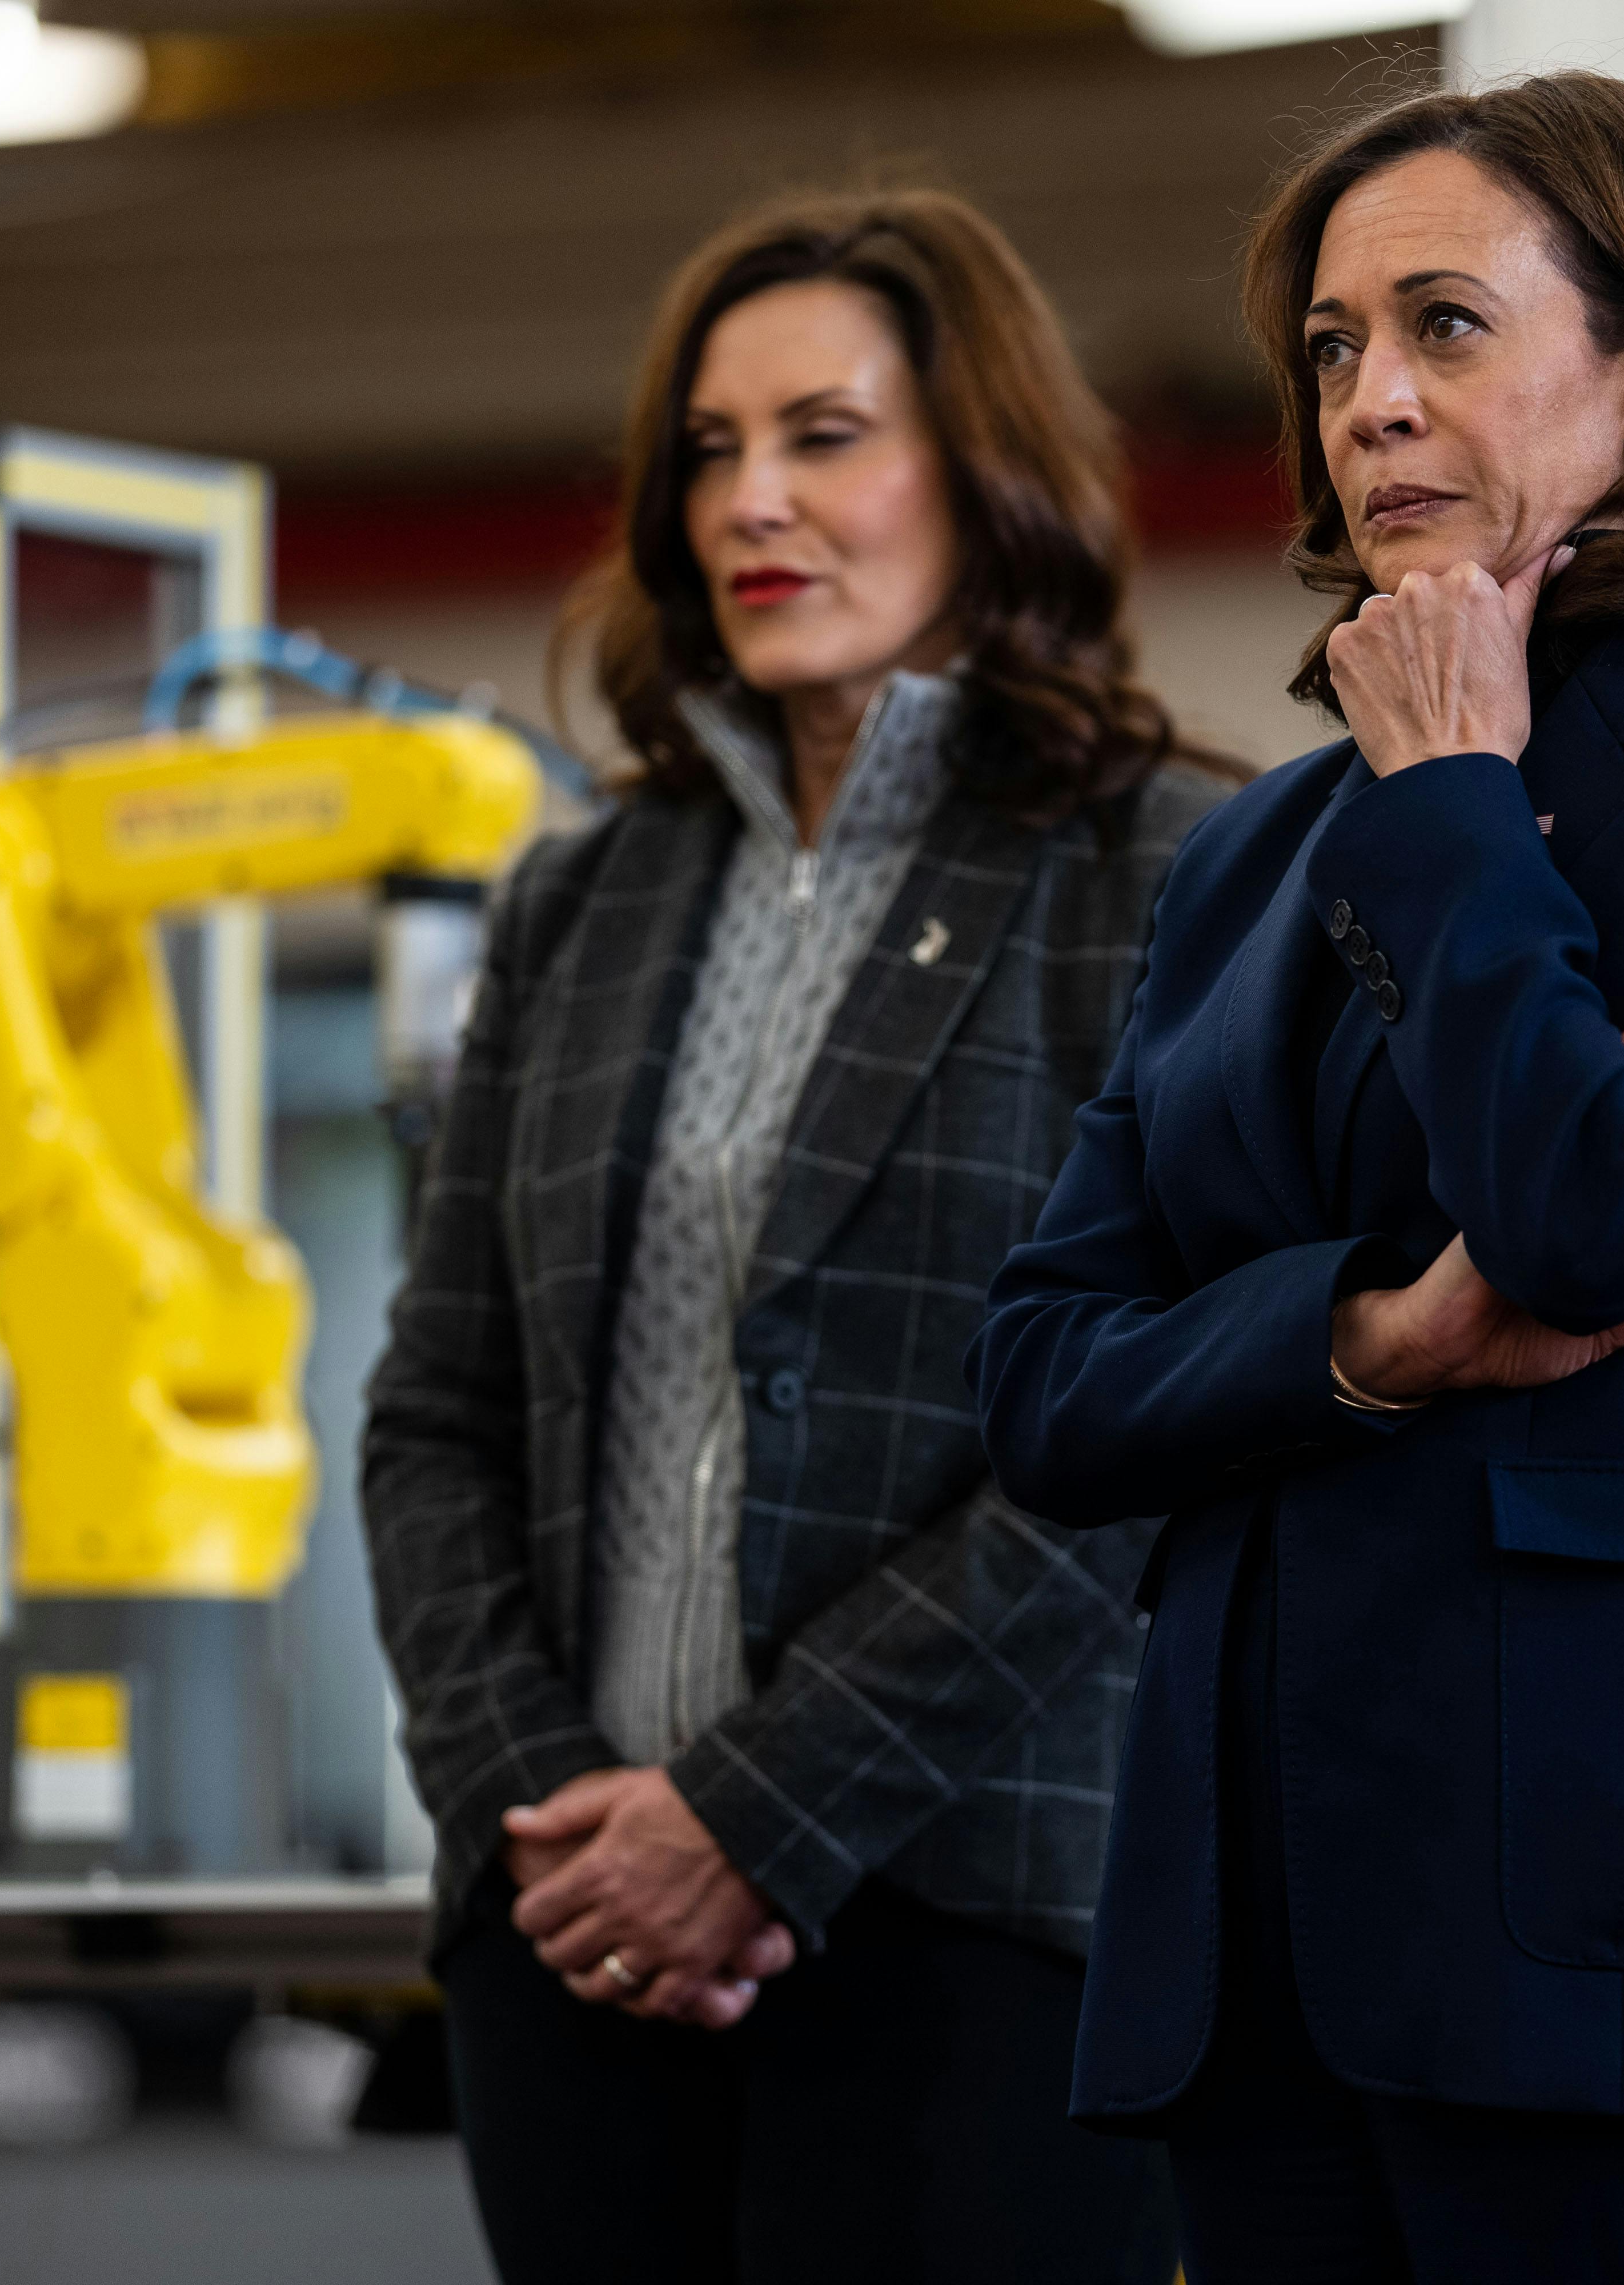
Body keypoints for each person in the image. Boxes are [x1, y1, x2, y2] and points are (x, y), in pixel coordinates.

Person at [969, 73, 1624, 2284]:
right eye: (1333, 351)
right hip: (1257, 1957)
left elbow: (1603, 1216)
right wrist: (1368, 1337)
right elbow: (1047, 1376)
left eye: (1443, 324)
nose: (1373, 403)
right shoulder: (1253, 851)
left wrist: (1453, 787)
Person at [359, 187, 1228, 2285]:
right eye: (712, 450)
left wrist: (754, 1814)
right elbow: (434, 1421)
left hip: (977, 1932)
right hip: (573, 1955)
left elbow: (1145, 1447)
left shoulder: (1171, 866)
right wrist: (545, 1818)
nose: (756, 498)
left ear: (986, 470)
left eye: (825, 433)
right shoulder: (582, 900)